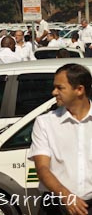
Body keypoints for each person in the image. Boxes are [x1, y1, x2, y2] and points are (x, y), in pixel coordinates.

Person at [28, 64, 92, 215]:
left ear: (79, 90)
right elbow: (42, 168)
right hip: (56, 206)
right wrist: (65, 195)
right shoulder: (45, 123)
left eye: (60, 88)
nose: (54, 92)